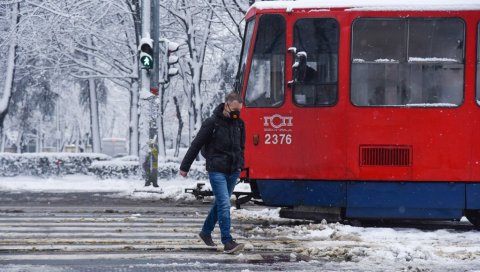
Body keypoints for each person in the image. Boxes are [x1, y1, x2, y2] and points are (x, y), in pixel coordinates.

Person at [179, 91, 245, 254]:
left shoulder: (240, 124)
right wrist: (185, 166)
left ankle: (205, 232)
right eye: (234, 109)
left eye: (239, 110)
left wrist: (239, 164)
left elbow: (241, 146)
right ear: (226, 104)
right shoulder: (212, 123)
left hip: (233, 170)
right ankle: (227, 241)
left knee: (220, 204)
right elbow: (196, 145)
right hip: (217, 169)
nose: (237, 113)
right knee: (224, 203)